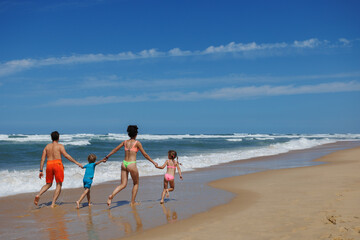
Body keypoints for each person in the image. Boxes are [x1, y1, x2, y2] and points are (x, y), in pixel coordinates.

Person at [103, 125, 158, 206]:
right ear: (136, 134)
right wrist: (153, 162)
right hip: (132, 164)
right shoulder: (137, 143)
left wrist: (107, 157)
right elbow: (145, 155)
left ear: (128, 134)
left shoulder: (125, 142)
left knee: (123, 184)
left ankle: (111, 196)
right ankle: (132, 202)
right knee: (136, 184)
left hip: (124, 164)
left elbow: (115, 150)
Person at [34, 131, 83, 208]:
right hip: (57, 164)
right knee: (59, 184)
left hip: (49, 164)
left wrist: (41, 170)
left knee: (48, 184)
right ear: (58, 138)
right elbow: (66, 156)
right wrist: (77, 163)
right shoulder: (60, 146)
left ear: (51, 138)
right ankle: (53, 204)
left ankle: (38, 194)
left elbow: (42, 159)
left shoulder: (47, 147)